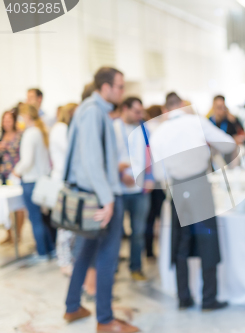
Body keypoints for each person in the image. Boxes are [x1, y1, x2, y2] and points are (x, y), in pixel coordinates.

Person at [63, 67, 140, 333]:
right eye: (120, 86)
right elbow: (92, 160)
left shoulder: (90, 110)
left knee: (86, 252)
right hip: (101, 196)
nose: (122, 91)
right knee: (108, 256)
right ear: (105, 87)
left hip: (93, 195)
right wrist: (107, 200)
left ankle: (73, 306)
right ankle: (105, 320)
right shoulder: (94, 112)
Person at [149, 92, 233, 311]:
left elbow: (158, 174)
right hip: (199, 185)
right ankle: (209, 299)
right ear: (181, 106)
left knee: (181, 243)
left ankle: (183, 298)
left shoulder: (158, 133)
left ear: (166, 109)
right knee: (207, 240)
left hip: (177, 188)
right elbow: (228, 143)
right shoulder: (195, 121)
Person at [113, 97, 153, 281]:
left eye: (141, 111)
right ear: (125, 109)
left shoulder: (144, 128)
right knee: (114, 233)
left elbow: (151, 154)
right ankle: (111, 268)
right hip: (119, 190)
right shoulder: (113, 128)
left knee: (138, 232)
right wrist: (121, 175)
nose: (140, 115)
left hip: (140, 189)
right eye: (136, 111)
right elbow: (108, 157)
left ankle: (136, 266)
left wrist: (150, 178)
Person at [11, 104, 53, 263]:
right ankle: (51, 248)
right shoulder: (41, 131)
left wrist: (15, 171)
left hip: (31, 181)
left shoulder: (30, 133)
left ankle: (42, 252)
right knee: (43, 217)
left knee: (35, 219)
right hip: (42, 179)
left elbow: (27, 161)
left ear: (26, 116)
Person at [50, 103, 78, 276]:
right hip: (62, 183)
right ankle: (64, 262)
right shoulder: (60, 129)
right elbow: (71, 152)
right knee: (65, 227)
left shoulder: (65, 129)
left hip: (67, 183)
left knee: (69, 227)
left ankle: (68, 259)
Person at [144, 105, 166, 259]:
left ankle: (149, 251)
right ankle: (164, 248)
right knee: (162, 216)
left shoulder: (145, 130)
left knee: (149, 218)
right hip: (158, 180)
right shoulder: (160, 130)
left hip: (148, 180)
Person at [0, 110, 24, 244]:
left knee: (18, 205)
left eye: (9, 120)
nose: (6, 123)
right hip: (3, 173)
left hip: (15, 173)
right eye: (5, 120)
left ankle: (18, 233)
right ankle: (9, 233)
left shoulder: (20, 136)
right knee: (5, 205)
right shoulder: (2, 136)